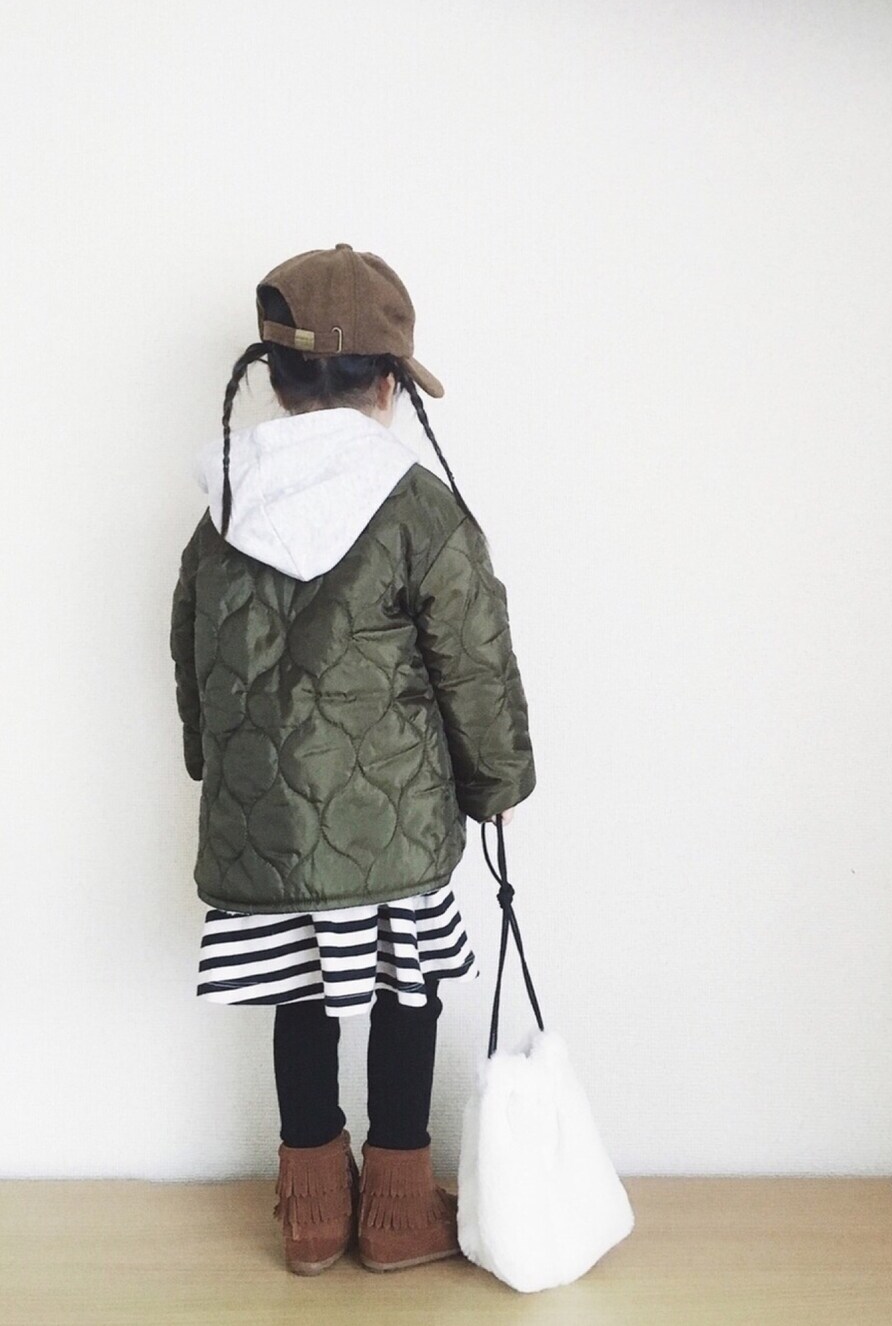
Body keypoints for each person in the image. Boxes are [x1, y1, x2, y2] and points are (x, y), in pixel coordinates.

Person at [169, 245, 537, 1276]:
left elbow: (194, 652)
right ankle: (398, 1211)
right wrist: (497, 782)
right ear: (387, 385)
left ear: (277, 380)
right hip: (396, 824)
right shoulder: (417, 506)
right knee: (404, 989)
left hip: (267, 823)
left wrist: (213, 766)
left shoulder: (225, 505)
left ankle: (311, 1212)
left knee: (300, 992)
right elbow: (473, 657)